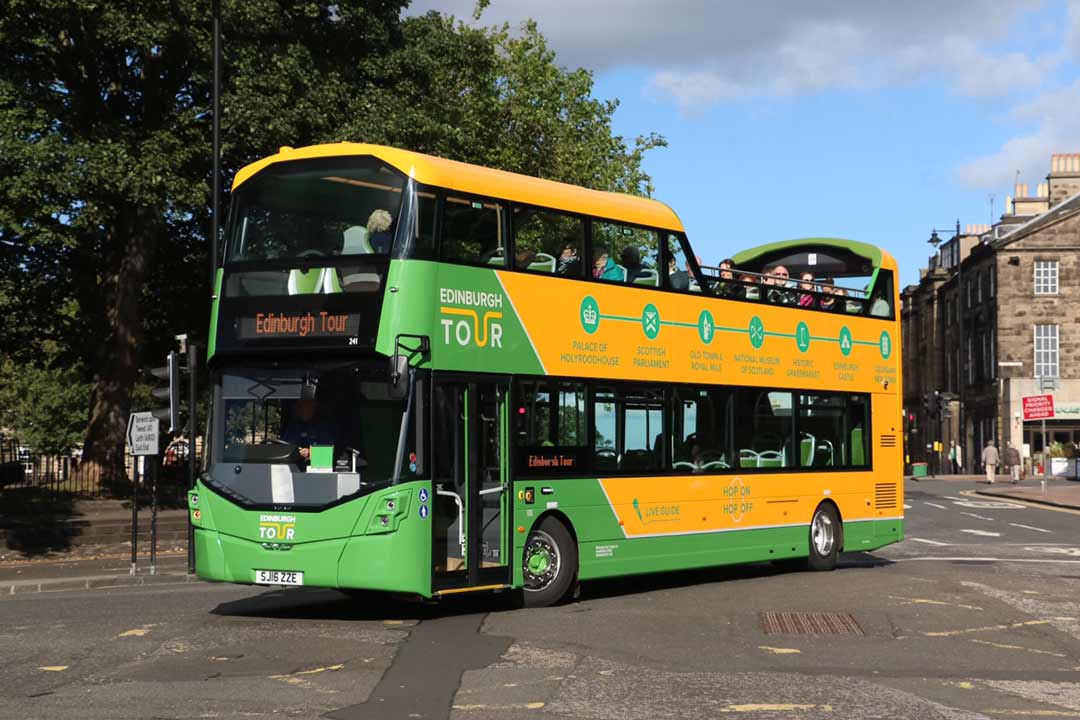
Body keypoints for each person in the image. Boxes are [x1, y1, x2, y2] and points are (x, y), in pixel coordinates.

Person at [283, 398, 339, 464]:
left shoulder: (324, 427)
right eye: (298, 405)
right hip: (290, 467)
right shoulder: (293, 427)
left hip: (317, 469)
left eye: (304, 405)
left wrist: (309, 453)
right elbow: (284, 447)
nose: (299, 408)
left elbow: (329, 454)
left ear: (314, 406)